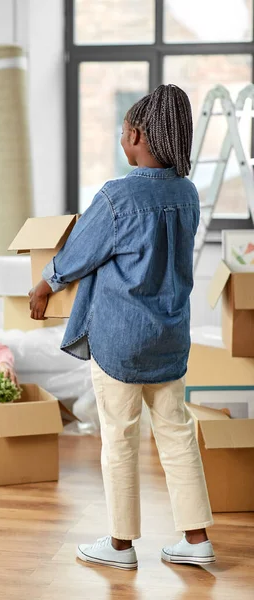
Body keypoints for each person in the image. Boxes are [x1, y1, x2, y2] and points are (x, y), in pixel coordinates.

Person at [29, 84, 215, 570]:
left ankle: (119, 546)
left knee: (120, 438)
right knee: (176, 432)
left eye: (123, 130)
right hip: (170, 338)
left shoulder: (117, 196)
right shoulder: (188, 194)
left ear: (135, 135)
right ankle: (196, 539)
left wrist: (47, 283)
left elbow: (79, 252)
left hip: (121, 340)